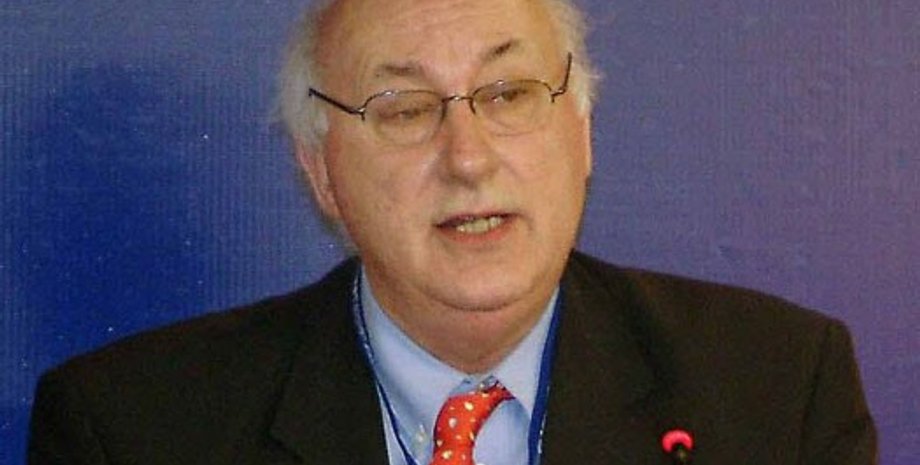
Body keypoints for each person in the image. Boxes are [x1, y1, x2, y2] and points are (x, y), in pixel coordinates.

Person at [28, 0, 877, 464]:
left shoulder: (776, 393)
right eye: (403, 109)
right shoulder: (133, 430)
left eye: (509, 94)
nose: (467, 158)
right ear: (321, 171)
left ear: (582, 131)